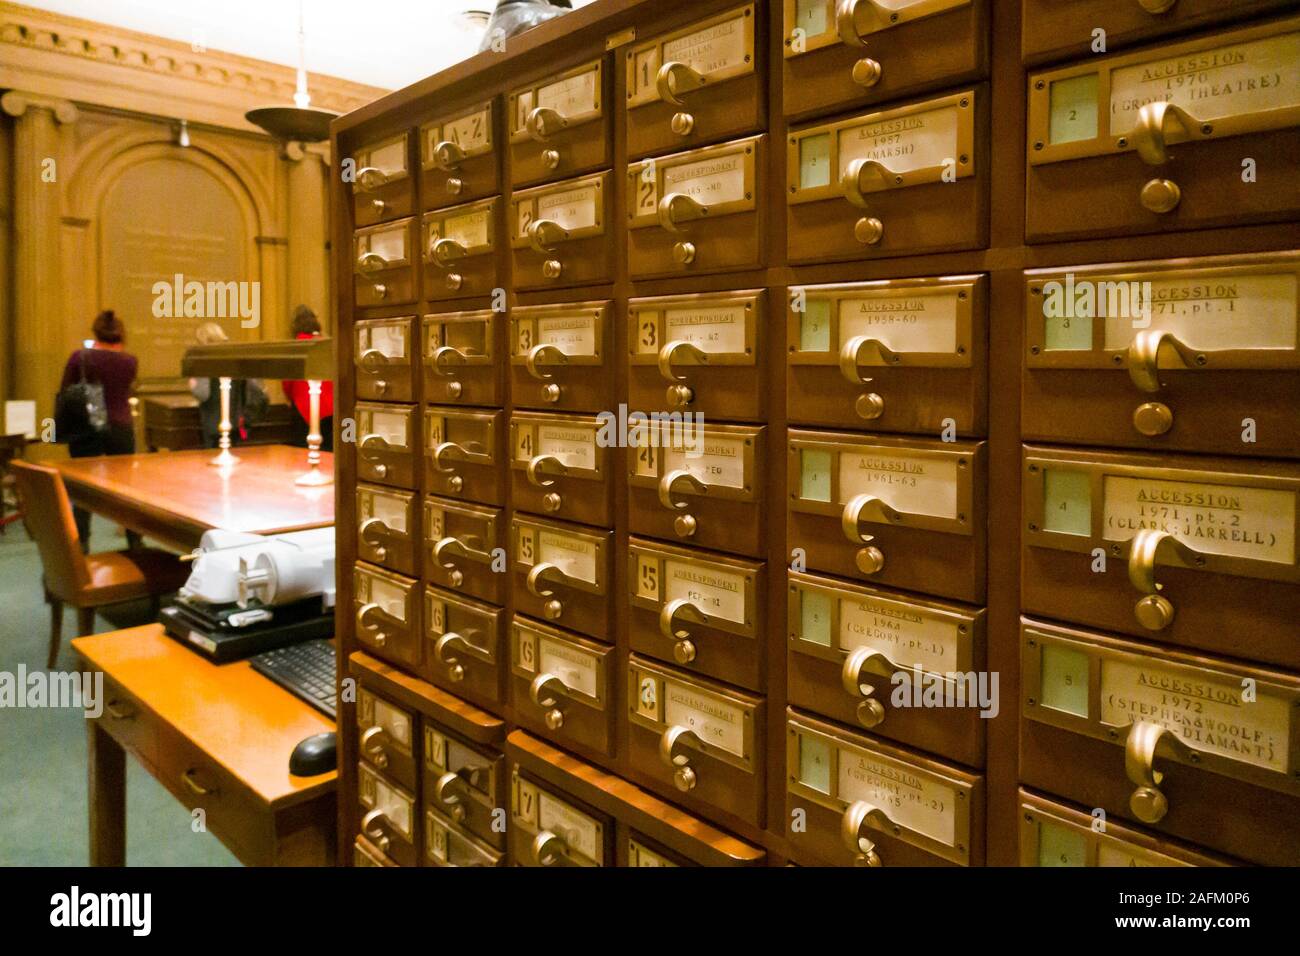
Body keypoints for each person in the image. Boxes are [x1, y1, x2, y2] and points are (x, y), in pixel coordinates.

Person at [60, 310, 138, 550]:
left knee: (82, 489)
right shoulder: (129, 361)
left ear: (96, 332)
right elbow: (127, 390)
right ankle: (135, 542)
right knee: (127, 489)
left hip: (87, 427)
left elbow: (65, 390)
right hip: (120, 426)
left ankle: (81, 544)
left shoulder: (79, 357)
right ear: (119, 334)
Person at [187, 322, 267, 449]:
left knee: (214, 458)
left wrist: (193, 385)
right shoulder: (235, 356)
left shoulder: (204, 361)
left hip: (213, 424)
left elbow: (203, 394)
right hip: (237, 421)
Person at [281, 305, 334, 452]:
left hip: (303, 405)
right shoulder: (327, 344)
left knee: (303, 451)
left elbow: (287, 381)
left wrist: (289, 398)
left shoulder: (295, 346)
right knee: (329, 450)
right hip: (331, 406)